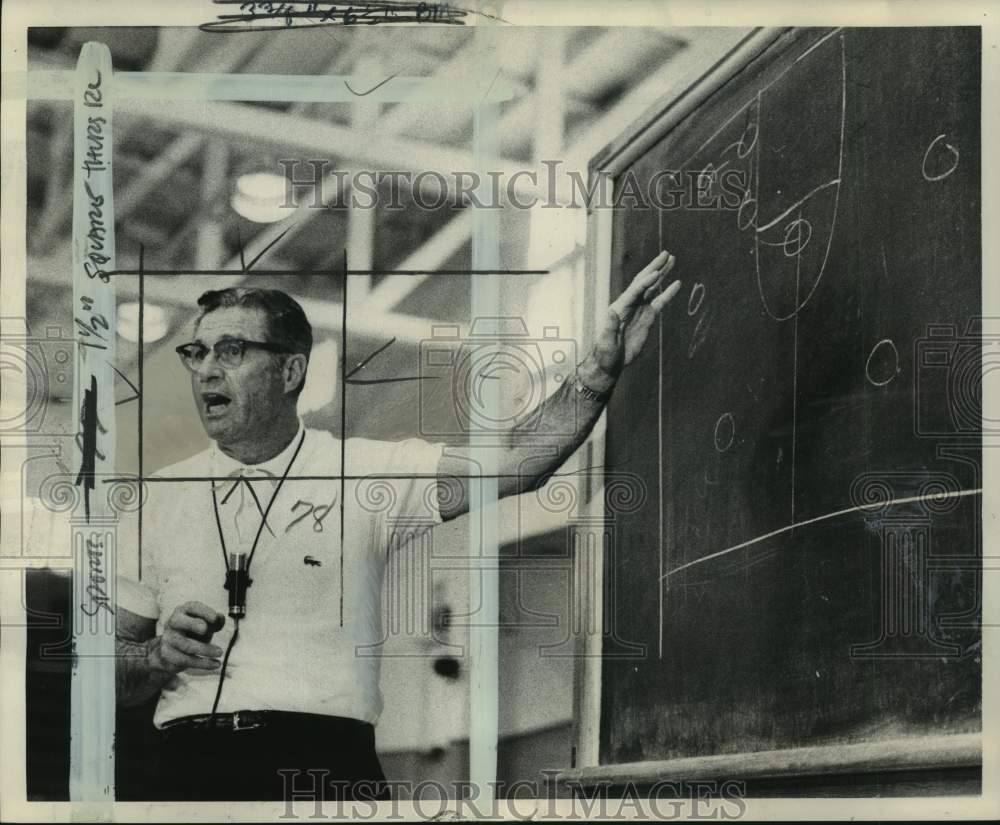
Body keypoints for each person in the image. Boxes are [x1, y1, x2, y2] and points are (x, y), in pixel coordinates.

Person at [115, 250, 680, 801]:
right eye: (197, 352)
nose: (207, 369)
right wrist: (158, 656)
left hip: (324, 764)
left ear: (291, 370)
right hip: (187, 770)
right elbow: (107, 677)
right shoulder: (157, 498)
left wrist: (596, 373)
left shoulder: (366, 471)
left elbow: (517, 464)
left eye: (232, 350)